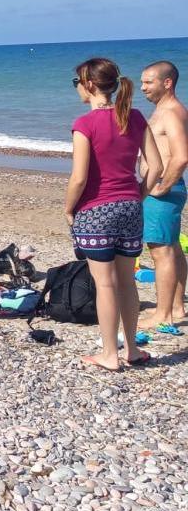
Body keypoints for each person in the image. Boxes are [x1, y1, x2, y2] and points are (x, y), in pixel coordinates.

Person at [65, 57, 164, 371]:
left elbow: (79, 177)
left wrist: (69, 208)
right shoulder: (134, 117)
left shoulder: (85, 124)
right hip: (131, 207)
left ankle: (110, 353)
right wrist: (137, 194)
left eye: (77, 82)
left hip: (97, 210)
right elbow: (156, 167)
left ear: (90, 84)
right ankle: (132, 349)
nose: (77, 88)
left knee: (105, 284)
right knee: (127, 282)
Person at [139, 60, 188, 329]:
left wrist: (161, 186)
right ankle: (177, 308)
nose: (143, 87)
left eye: (149, 82)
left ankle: (163, 314)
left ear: (167, 83)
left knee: (161, 252)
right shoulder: (164, 110)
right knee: (174, 249)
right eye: (143, 82)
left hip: (163, 191)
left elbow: (181, 156)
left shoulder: (171, 112)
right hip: (166, 189)